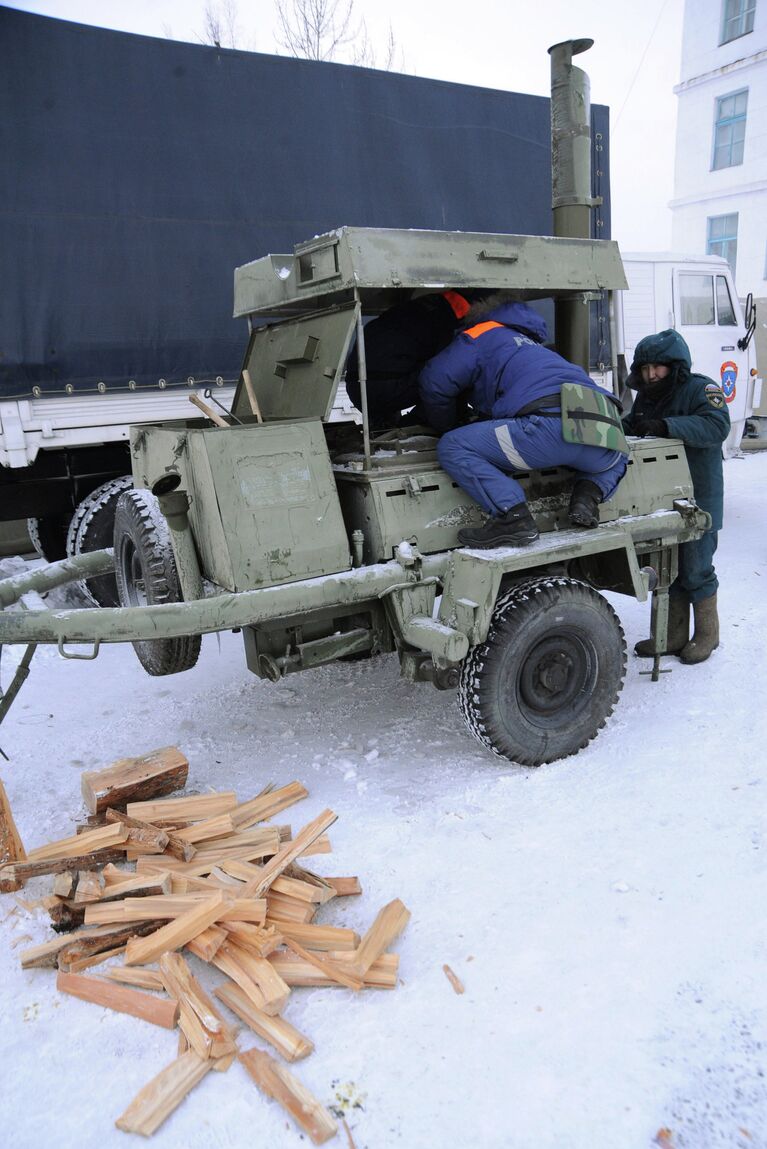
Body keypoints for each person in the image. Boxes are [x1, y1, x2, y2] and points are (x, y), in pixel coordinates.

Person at [417, 299, 629, 547]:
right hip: (608, 426)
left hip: (548, 429)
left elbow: (435, 382)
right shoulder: (534, 346)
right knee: (618, 455)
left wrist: (447, 424)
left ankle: (513, 518)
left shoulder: (480, 333)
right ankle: (587, 498)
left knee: (453, 445)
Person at [623, 329, 730, 665]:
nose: (651, 374)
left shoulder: (702, 388)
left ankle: (707, 635)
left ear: (675, 365)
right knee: (665, 568)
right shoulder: (647, 395)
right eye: (645, 369)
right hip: (660, 499)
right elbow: (636, 423)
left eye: (658, 367)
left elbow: (716, 426)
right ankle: (671, 636)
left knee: (696, 567)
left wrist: (667, 426)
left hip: (698, 497)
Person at [345, 290, 472, 429]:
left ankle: (383, 421)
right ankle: (427, 421)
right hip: (389, 390)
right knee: (456, 368)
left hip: (356, 390)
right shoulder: (439, 319)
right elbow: (448, 367)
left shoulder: (394, 315)